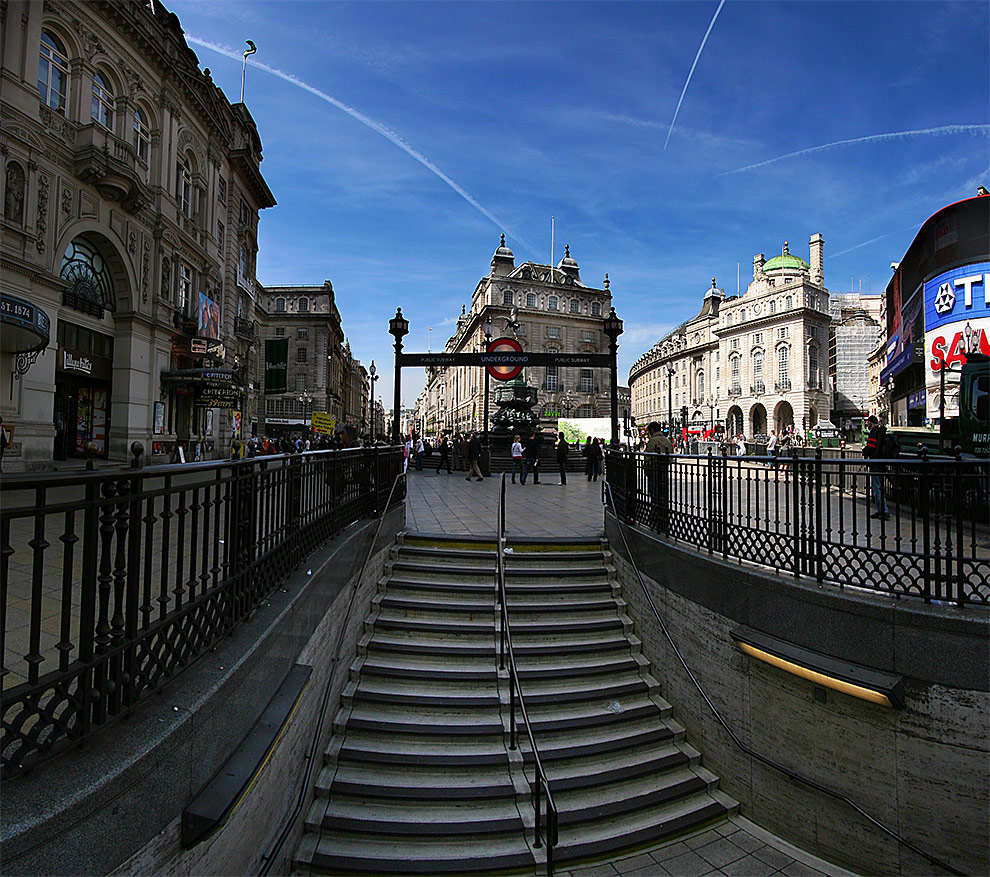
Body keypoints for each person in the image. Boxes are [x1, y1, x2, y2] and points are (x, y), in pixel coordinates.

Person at [862, 415, 890, 520]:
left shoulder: (874, 432)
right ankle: (880, 510)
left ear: (871, 423)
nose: (867, 424)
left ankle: (883, 511)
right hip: (880, 462)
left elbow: (871, 447)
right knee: (878, 487)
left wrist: (865, 451)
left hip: (876, 463)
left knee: (877, 487)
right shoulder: (879, 432)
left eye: (868, 422)